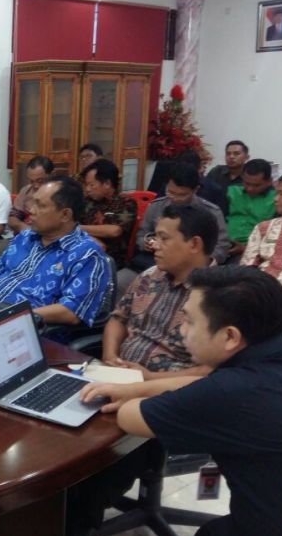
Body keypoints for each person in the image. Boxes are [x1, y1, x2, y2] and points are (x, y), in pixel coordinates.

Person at [80, 266, 282, 536]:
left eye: (189, 321)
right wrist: (139, 387)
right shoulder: (271, 354)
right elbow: (205, 384)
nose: (181, 330)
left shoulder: (233, 391)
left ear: (229, 337)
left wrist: (128, 393)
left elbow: (131, 416)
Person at [0, 176, 109, 331]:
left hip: (27, 331)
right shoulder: (24, 237)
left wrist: (9, 315)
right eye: (33, 202)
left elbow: (71, 311)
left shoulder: (87, 254)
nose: (31, 210)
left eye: (40, 205)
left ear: (65, 215)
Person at [102, 205, 217, 379]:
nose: (154, 245)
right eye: (154, 237)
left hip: (169, 390)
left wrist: (149, 378)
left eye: (164, 239)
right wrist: (110, 356)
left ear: (194, 244)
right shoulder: (149, 276)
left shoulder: (218, 296)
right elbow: (118, 319)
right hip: (119, 375)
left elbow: (211, 371)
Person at [129, 163, 230, 270]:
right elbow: (142, 234)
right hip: (154, 262)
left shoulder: (211, 212)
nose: (175, 198)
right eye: (170, 192)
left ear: (195, 190)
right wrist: (145, 243)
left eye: (182, 195)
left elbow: (222, 246)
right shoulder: (156, 207)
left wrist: (203, 260)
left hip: (194, 266)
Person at [79, 158, 136, 268]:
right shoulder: (86, 202)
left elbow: (114, 230)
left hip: (110, 260)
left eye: (91, 185)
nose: (87, 189)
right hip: (84, 252)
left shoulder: (125, 202)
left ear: (107, 183)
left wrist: (78, 228)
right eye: (86, 185)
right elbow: (69, 226)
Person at [239, 173, 282, 288]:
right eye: (276, 193)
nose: (275, 199)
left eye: (281, 194)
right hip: (260, 292)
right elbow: (246, 268)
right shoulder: (264, 228)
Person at [226, 158, 276, 258]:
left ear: (269, 181)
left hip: (256, 252)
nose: (250, 189)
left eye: (256, 185)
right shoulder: (231, 192)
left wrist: (245, 249)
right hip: (226, 246)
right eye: (246, 183)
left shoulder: (276, 199)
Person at [8, 155, 54, 235]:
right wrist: (29, 231)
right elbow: (12, 220)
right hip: (24, 235)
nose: (35, 186)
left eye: (40, 181)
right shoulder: (26, 190)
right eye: (31, 181)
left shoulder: (60, 194)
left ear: (52, 175)